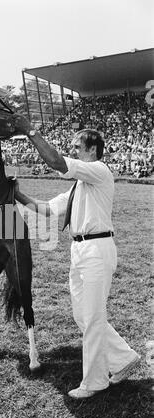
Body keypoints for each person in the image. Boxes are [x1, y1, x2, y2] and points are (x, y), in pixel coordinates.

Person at [11, 114, 141, 400]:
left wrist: (30, 132)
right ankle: (124, 358)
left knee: (93, 317)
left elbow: (57, 162)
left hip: (97, 249)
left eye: (76, 146)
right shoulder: (78, 185)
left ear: (92, 150)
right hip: (80, 250)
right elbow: (46, 208)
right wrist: (17, 195)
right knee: (82, 316)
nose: (71, 150)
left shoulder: (99, 170)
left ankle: (95, 381)